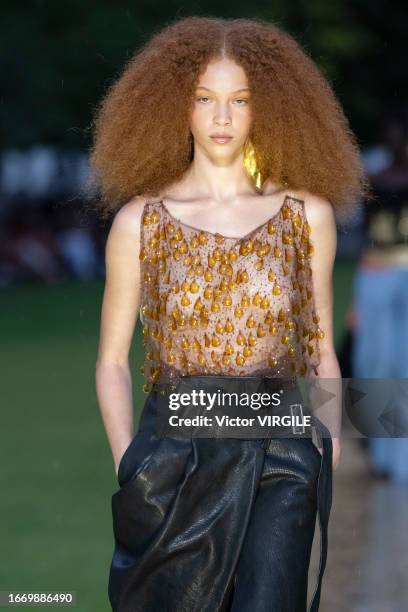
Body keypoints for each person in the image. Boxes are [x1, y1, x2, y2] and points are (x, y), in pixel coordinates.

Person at [89, 16, 369, 612]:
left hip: (281, 449)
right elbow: (112, 360)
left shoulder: (306, 215)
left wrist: (331, 437)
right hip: (174, 456)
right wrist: (127, 460)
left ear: (266, 108)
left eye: (240, 101)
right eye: (205, 99)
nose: (221, 118)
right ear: (175, 106)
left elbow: (320, 343)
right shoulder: (139, 221)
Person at [351, 105, 408, 483]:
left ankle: (398, 459)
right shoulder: (374, 170)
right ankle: (378, 449)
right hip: (377, 271)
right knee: (376, 364)